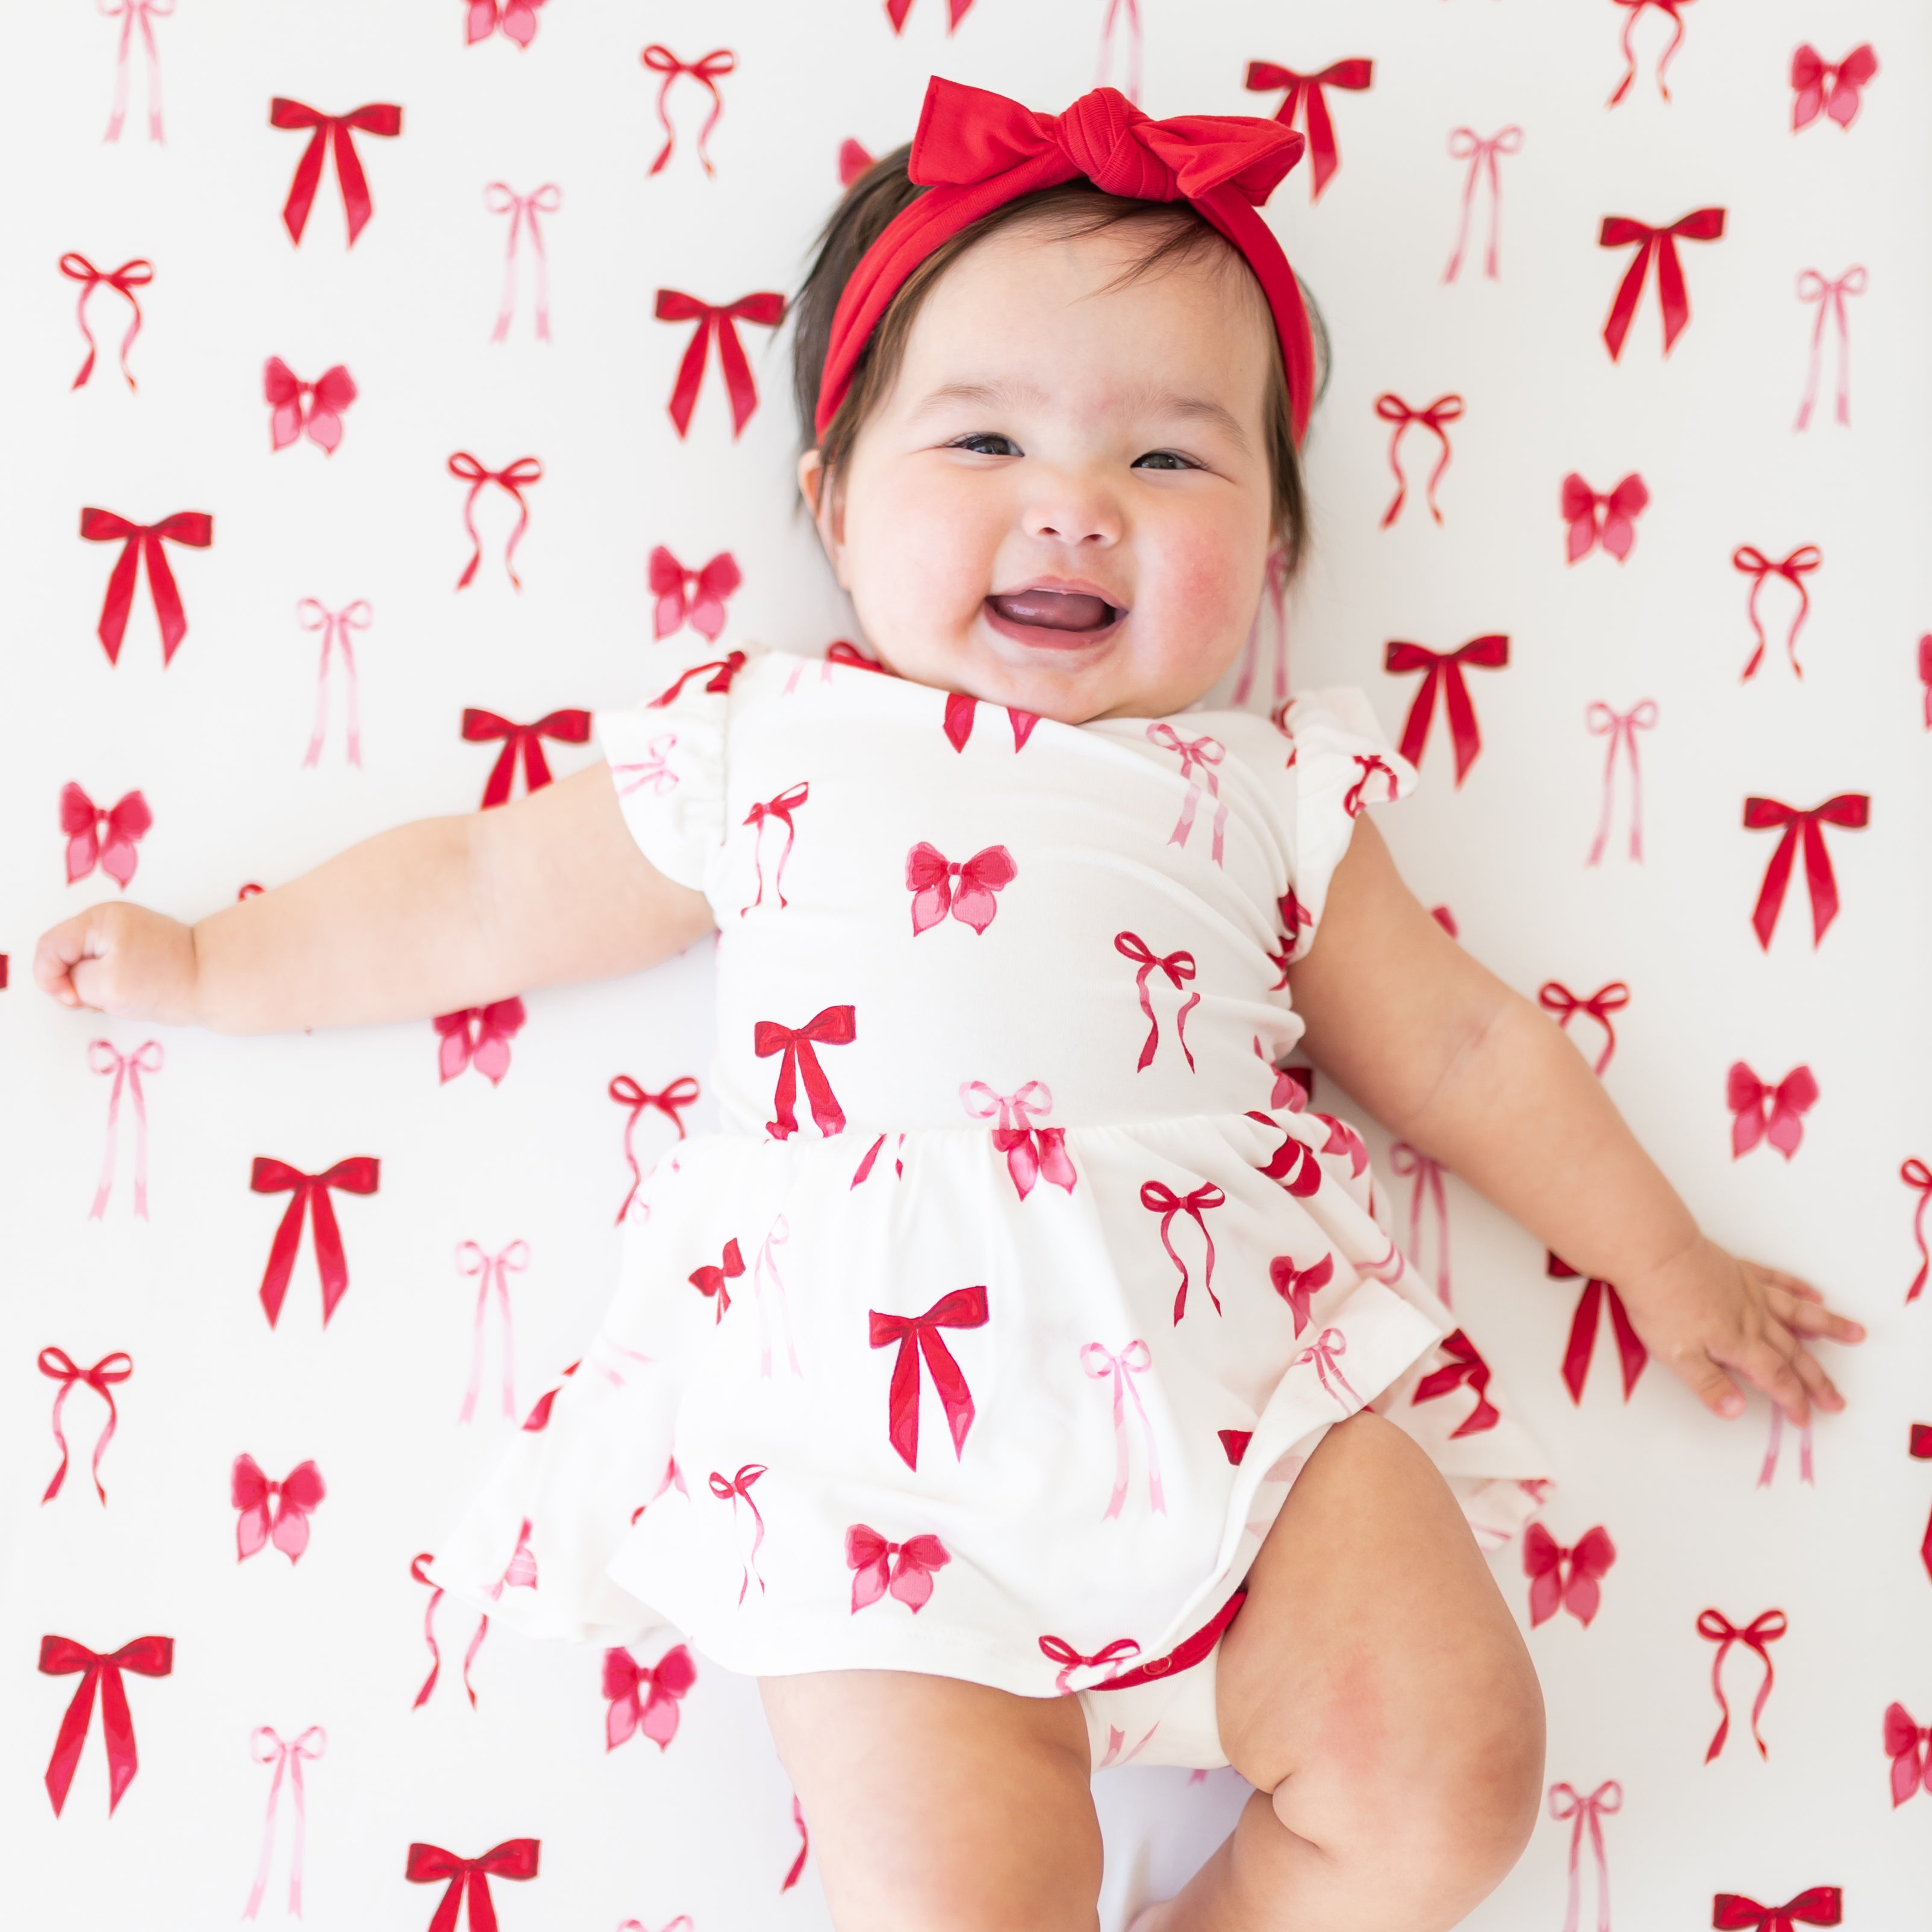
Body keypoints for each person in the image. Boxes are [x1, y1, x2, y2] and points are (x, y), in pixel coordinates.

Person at [34, 79, 1862, 1932]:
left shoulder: (1262, 794)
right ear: (831, 499)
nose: (1073, 509)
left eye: (1171, 462)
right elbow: (482, 891)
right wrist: (213, 962)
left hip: (1245, 1398)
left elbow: (1463, 1047)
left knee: (1453, 1768)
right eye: (983, 441)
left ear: (1281, 550)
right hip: (864, 1440)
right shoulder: (768, 746)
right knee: (956, 1896)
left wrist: (1659, 1258)